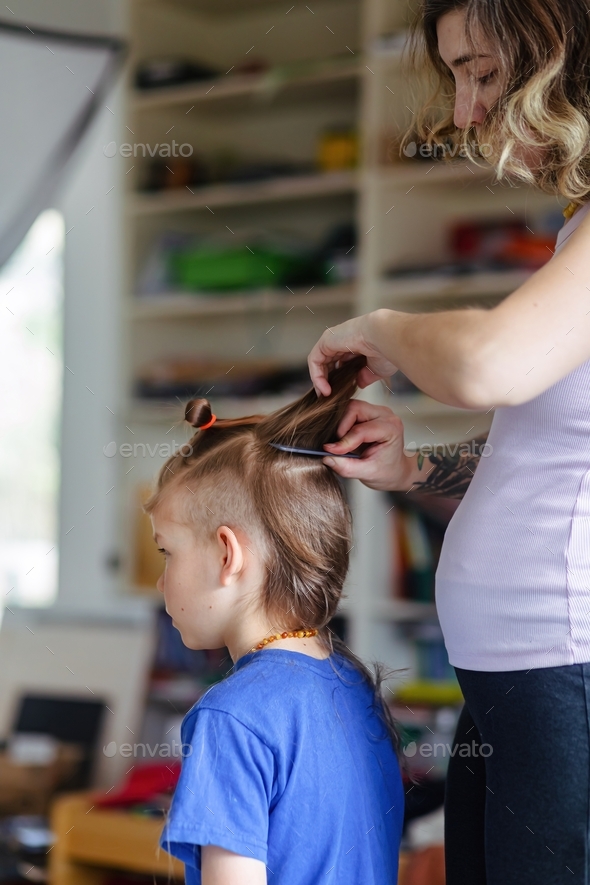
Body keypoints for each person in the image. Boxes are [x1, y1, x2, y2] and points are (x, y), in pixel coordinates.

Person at [306, 2, 590, 883]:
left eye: (482, 71)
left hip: (563, 678)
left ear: (564, 56)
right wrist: (416, 464)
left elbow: (490, 363)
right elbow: (548, 439)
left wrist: (383, 323)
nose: (465, 111)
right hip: (517, 677)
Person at [146, 355, 404, 885]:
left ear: (226, 555)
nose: (160, 581)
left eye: (166, 552)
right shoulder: (353, 685)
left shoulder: (231, 716)